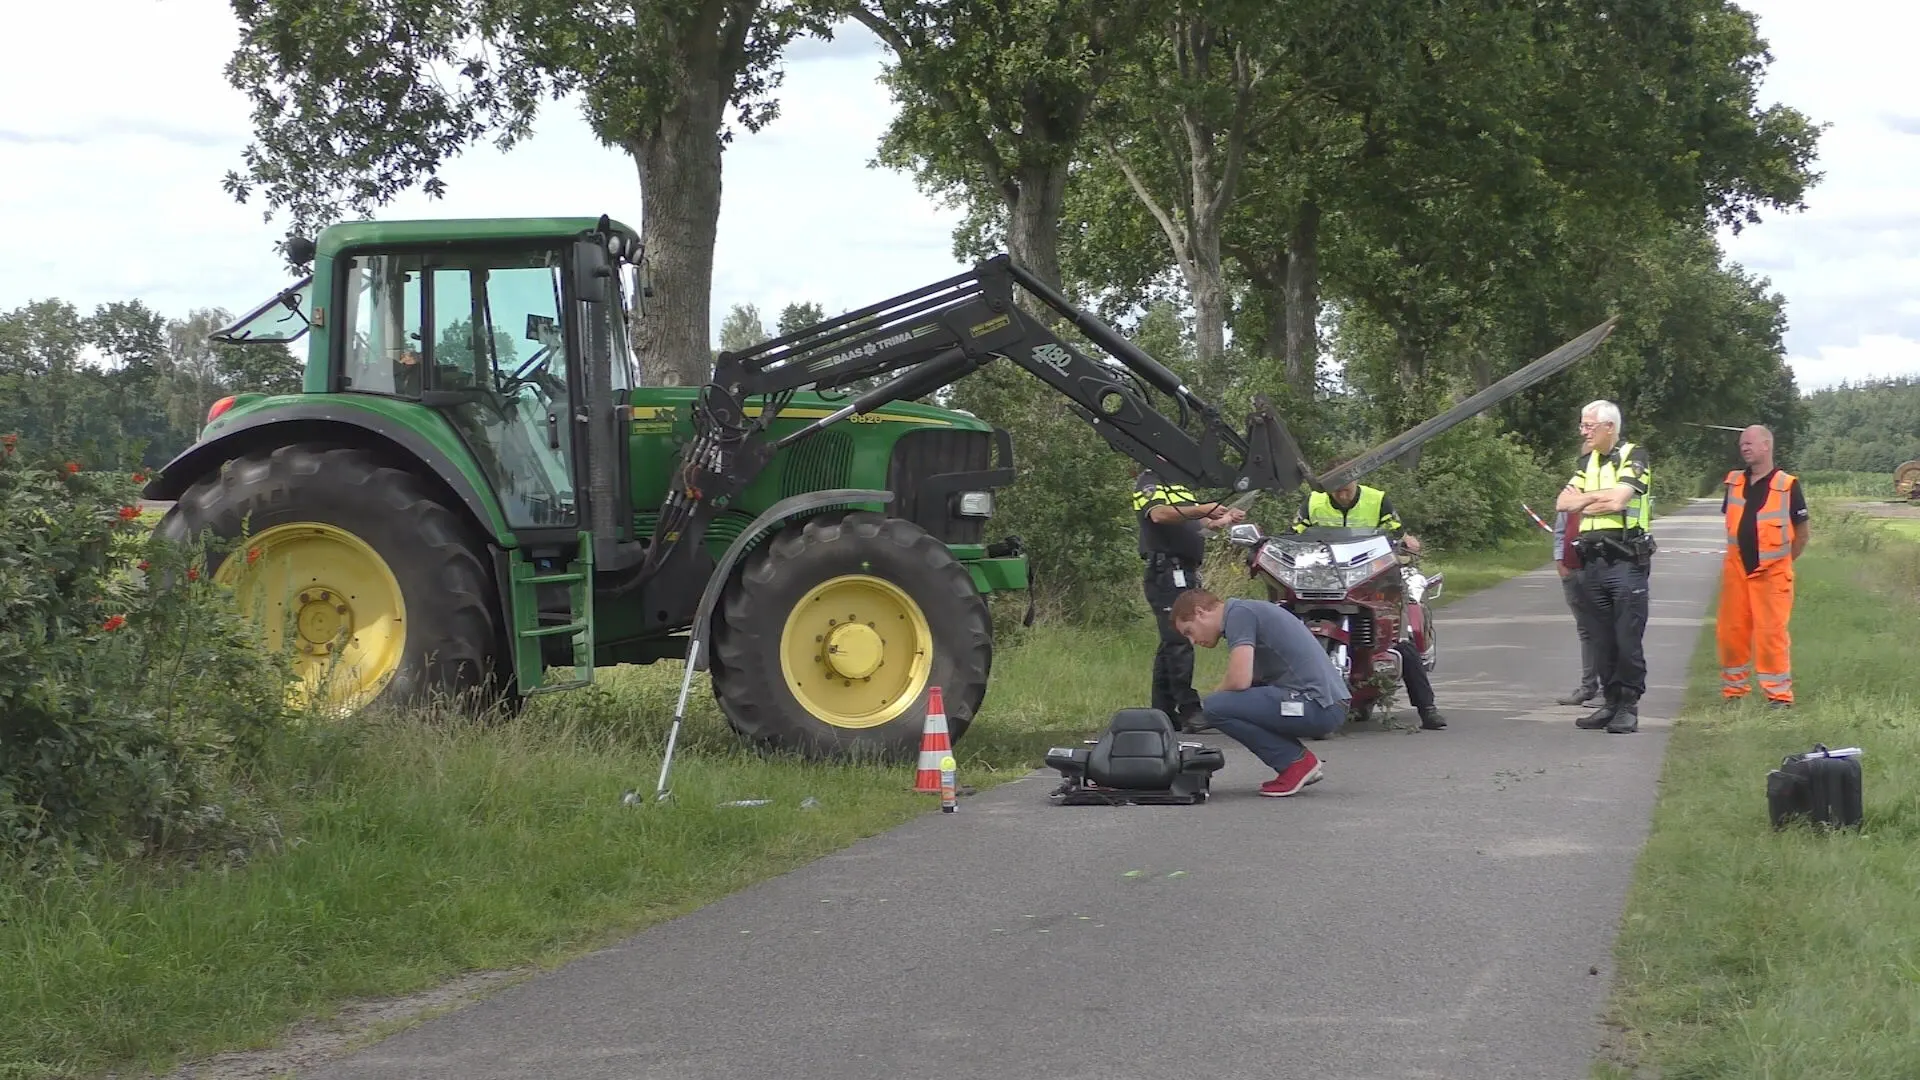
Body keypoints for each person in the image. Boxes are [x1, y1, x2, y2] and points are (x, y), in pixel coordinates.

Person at [1291, 480, 1447, 730]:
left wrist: (1405, 542)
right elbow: (1293, 534)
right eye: (1337, 488)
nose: (1342, 494)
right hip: (1324, 577)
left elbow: (1396, 531)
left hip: (1371, 576)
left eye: (1346, 488)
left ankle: (1427, 709)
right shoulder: (1313, 501)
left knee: (1399, 639)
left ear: (1355, 482)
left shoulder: (1377, 499)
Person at [1170, 588, 1348, 797]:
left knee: (1216, 707)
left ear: (1200, 612)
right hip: (1324, 703)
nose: (1192, 641)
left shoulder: (1239, 615)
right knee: (1226, 704)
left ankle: (1296, 764)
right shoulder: (1247, 611)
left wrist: (1212, 699)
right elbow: (1252, 680)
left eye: (1189, 632)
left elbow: (1239, 680)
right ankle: (1296, 761)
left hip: (1317, 705)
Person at [1554, 399, 1654, 734]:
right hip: (1592, 562)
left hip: (1625, 559)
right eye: (1582, 425)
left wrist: (1585, 500)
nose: (1583, 431)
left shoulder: (1635, 456)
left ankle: (1628, 705)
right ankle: (1609, 703)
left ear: (1609, 426)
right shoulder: (1588, 460)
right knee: (1600, 639)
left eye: (1589, 426)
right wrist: (1592, 500)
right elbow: (1563, 503)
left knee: (1627, 638)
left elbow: (1620, 500)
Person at [1132, 464, 1244, 732]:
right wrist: (1203, 508)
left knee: (1171, 642)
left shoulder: (1180, 487)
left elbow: (1204, 524)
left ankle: (1163, 713)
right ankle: (1189, 709)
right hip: (1167, 570)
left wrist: (1224, 519)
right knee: (1180, 639)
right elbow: (1158, 514)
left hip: (1185, 570)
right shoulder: (1150, 480)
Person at [1717, 425, 1809, 706]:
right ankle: (1734, 693)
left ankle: (1779, 697)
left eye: (1750, 443)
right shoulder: (1734, 482)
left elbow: (1802, 534)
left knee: (1772, 635)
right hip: (1737, 572)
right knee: (1731, 631)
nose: (1744, 447)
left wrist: (1781, 562)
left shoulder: (1787, 484)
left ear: (1767, 446)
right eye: (1742, 443)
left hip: (1772, 575)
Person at [1553, 507, 1602, 706]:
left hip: (1601, 571)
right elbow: (1560, 530)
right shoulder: (1573, 491)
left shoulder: (1612, 490)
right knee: (1586, 630)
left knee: (1608, 630)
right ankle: (1588, 687)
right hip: (1572, 570)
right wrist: (1559, 561)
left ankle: (1609, 690)